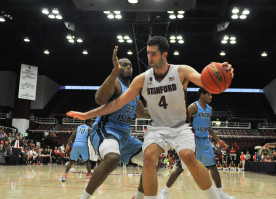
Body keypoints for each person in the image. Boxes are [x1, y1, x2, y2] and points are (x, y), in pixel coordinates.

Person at [67, 36, 234, 199]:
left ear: (164, 55)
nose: (149, 57)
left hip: (170, 128)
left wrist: (222, 72)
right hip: (135, 129)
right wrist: (87, 115)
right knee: (140, 158)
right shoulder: (136, 80)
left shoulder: (181, 71)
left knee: (182, 158)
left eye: (154, 53)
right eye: (148, 53)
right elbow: (111, 103)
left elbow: (205, 81)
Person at [71, 47, 151, 199]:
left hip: (125, 137)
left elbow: (143, 113)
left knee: (153, 162)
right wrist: (114, 72)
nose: (129, 67)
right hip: (106, 130)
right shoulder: (115, 84)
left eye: (130, 65)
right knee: (113, 158)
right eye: (124, 65)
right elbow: (99, 99)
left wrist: (165, 105)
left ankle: (139, 197)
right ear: (117, 67)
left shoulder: (134, 91)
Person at [158, 87, 235, 199]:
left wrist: (217, 139)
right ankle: (163, 192)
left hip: (205, 141)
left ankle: (221, 194)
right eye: (209, 94)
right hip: (192, 140)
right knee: (180, 168)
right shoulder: (193, 107)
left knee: (213, 167)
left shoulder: (210, 109)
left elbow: (208, 126)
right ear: (202, 95)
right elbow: (182, 122)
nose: (211, 97)